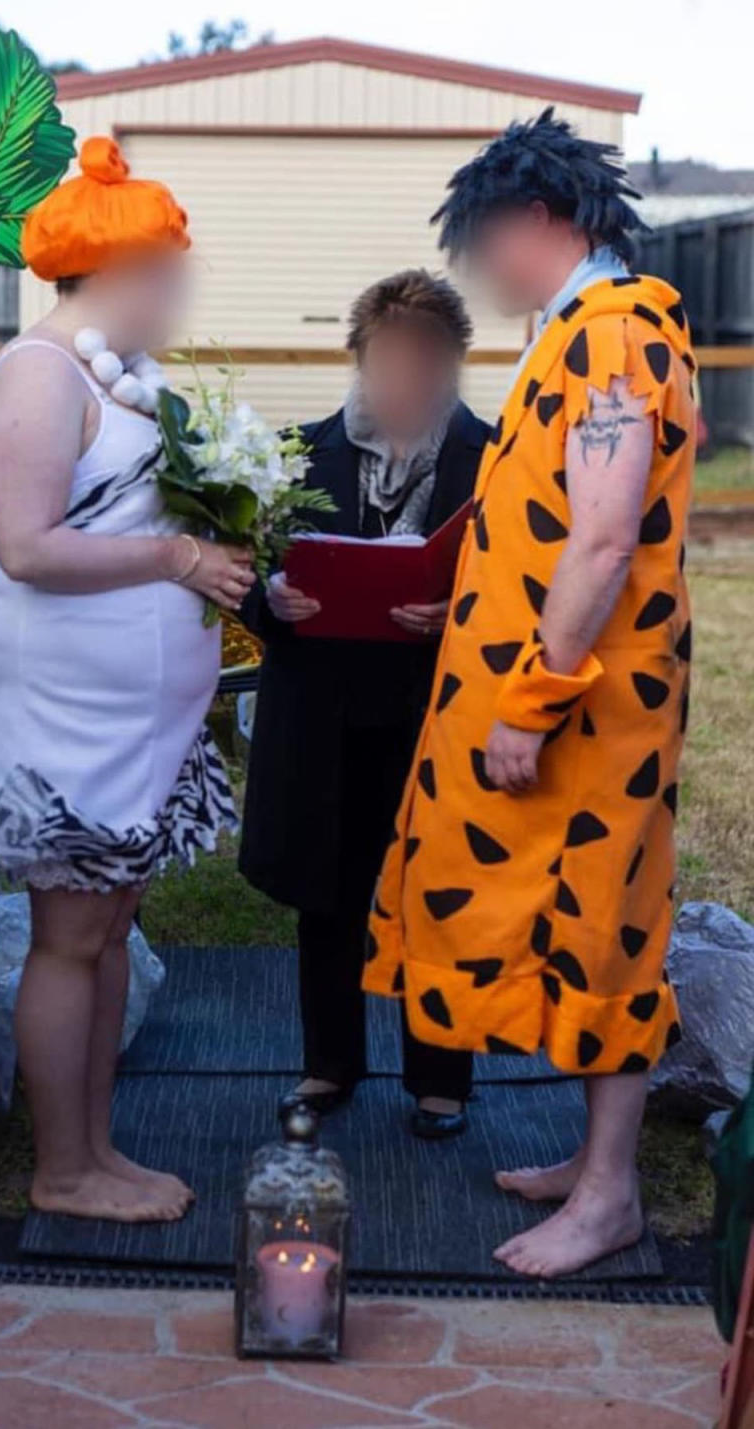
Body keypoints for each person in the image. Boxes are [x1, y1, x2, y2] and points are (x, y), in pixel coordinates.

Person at [0, 138, 254, 1223]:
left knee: (107, 929)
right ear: (120, 266)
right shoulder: (35, 376)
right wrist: (183, 559)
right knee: (70, 937)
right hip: (67, 716)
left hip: (135, 720)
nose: (179, 289)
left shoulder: (113, 372)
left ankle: (99, 1148)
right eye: (169, 266)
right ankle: (65, 1166)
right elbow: (32, 549)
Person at [365, 109, 696, 1277]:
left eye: (485, 240)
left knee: (603, 928)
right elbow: (547, 523)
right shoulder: (582, 332)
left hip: (585, 712)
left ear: (543, 220)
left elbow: (601, 544)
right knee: (574, 922)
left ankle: (608, 1197)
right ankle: (589, 1164)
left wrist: (531, 698)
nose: (479, 268)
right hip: (561, 695)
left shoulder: (612, 338)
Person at [239, 270, 490, 1138]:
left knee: (441, 889)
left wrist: (456, 612)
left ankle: (440, 1077)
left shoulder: (493, 461)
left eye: (426, 362)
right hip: (323, 713)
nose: (406, 379)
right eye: (389, 359)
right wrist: (275, 603)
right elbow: (247, 582)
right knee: (330, 893)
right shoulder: (297, 453)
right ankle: (330, 1063)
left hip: (437, 714)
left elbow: (523, 593)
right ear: (359, 359)